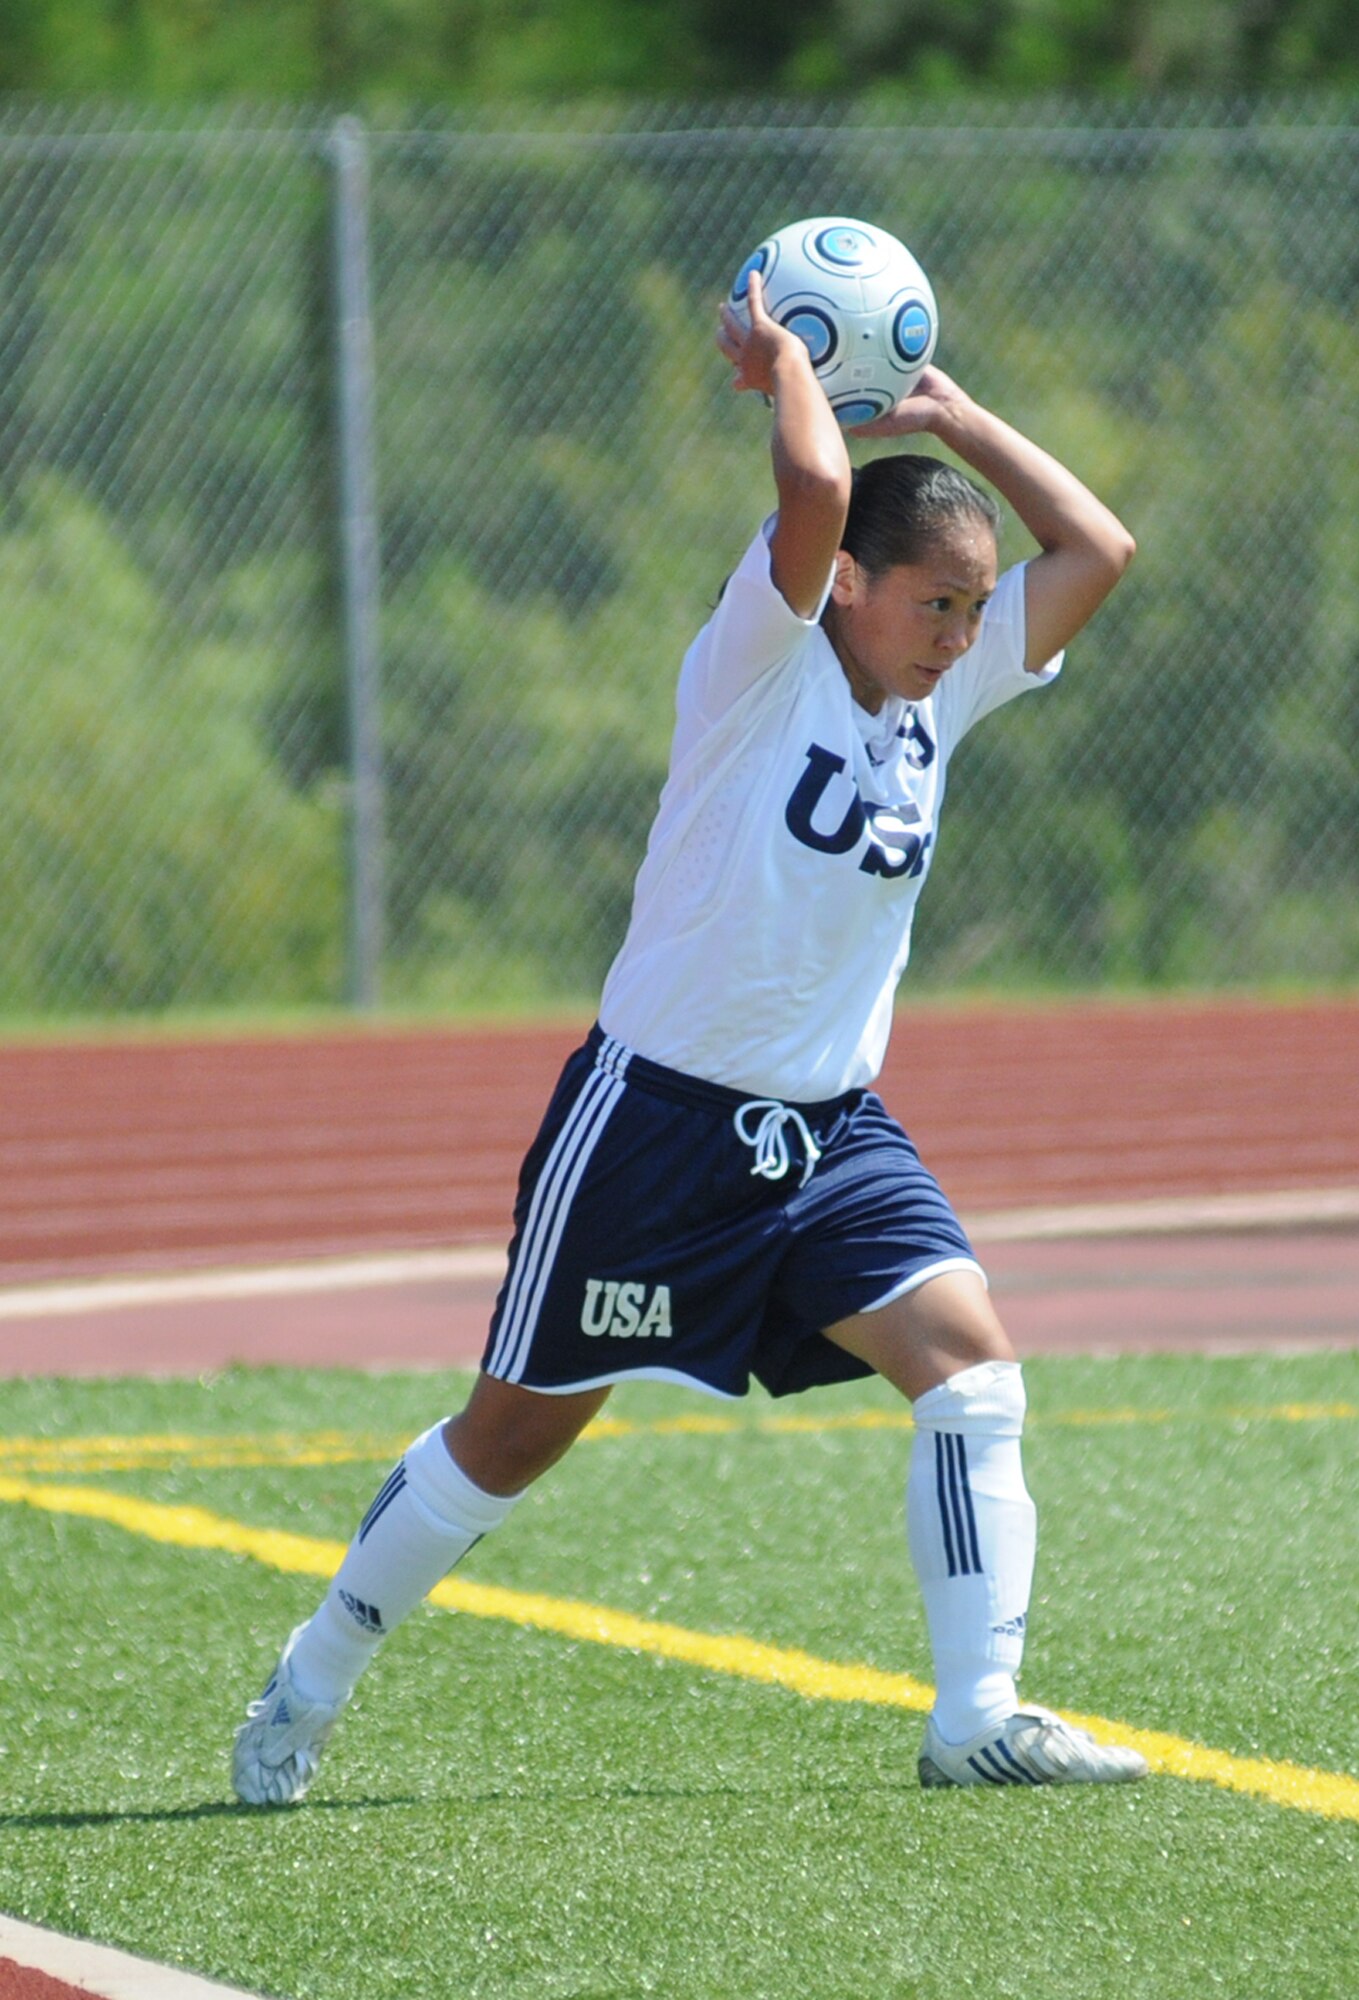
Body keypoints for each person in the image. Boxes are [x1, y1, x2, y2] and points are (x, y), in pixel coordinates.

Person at [233, 266, 1145, 1804]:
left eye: (972, 610)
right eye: (935, 601)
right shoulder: (755, 666)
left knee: (972, 1371)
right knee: (511, 1441)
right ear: (844, 584)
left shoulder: (939, 699)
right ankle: (309, 1680)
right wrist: (787, 352)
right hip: (652, 1127)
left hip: (830, 1132)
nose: (959, 631)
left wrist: (953, 414)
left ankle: (974, 1714)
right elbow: (809, 480)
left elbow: (1100, 547)